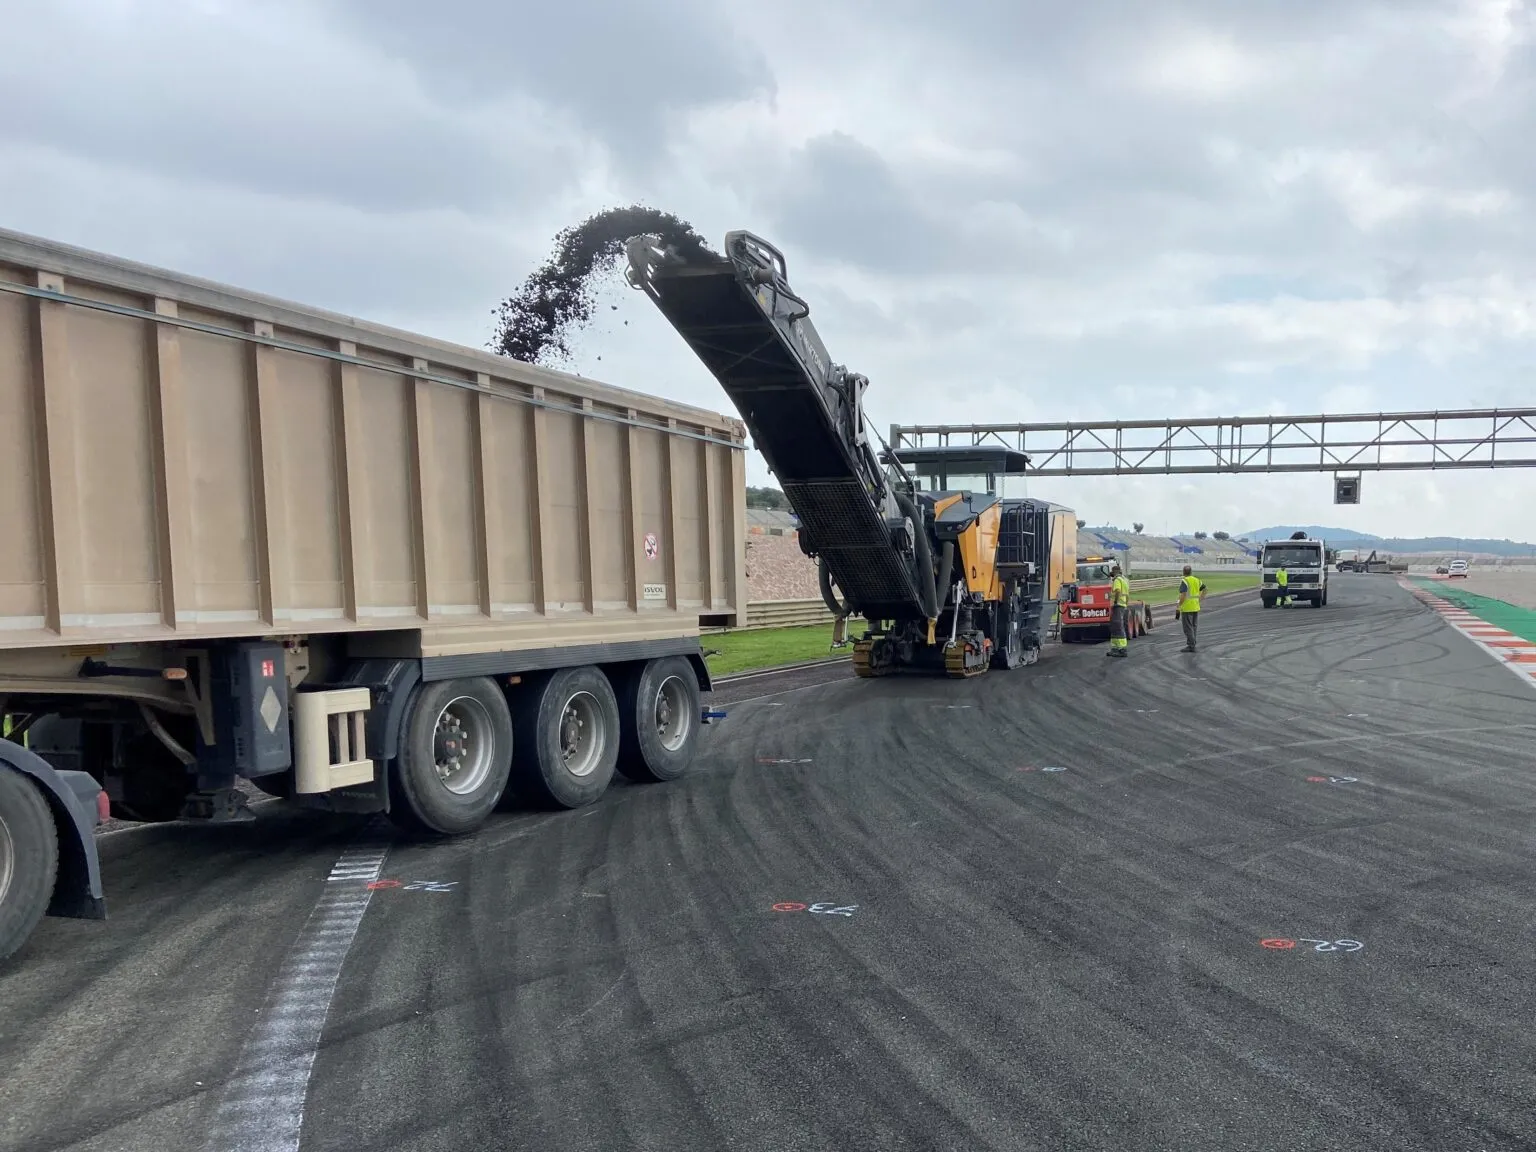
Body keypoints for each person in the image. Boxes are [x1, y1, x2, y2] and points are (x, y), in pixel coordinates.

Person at [1177, 565, 1205, 652]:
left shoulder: (1185, 581)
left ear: (1183, 572)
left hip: (1187, 607)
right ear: (1191, 572)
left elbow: (1183, 594)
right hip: (1195, 606)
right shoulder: (1197, 580)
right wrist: (1200, 599)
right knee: (1193, 627)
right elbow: (1205, 589)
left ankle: (1191, 646)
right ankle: (1193, 643)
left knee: (1188, 627)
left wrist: (1179, 605)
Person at [1106, 563, 1130, 658]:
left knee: (1118, 627)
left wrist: (1115, 602)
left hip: (1118, 605)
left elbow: (1118, 591)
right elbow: (1127, 595)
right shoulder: (1124, 580)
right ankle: (1115, 648)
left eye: (1112, 571)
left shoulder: (1117, 580)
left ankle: (1121, 649)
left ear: (1115, 572)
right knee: (1116, 627)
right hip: (1122, 605)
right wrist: (1125, 604)